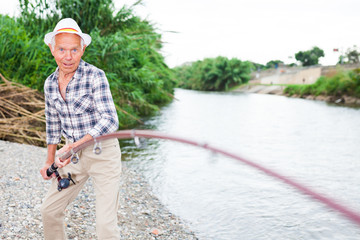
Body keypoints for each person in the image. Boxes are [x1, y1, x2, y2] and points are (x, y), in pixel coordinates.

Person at [39, 18, 122, 240]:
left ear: (83, 49)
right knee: (49, 210)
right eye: (62, 49)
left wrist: (75, 145)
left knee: (105, 225)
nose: (68, 56)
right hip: (72, 157)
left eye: (74, 49)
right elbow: (53, 124)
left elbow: (110, 120)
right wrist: (49, 161)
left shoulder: (96, 76)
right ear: (52, 49)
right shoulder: (49, 83)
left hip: (103, 153)